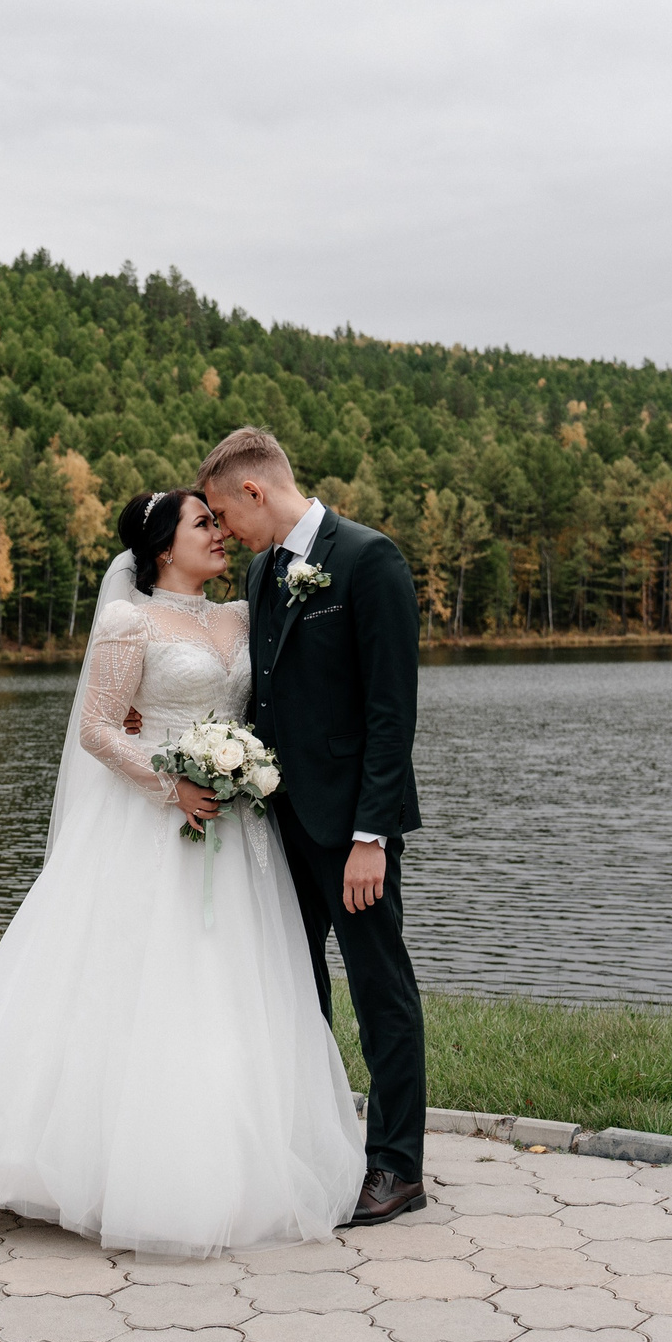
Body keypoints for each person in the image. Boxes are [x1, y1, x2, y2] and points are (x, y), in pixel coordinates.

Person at [0, 490, 364, 1257]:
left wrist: (244, 769)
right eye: (203, 523)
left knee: (235, 988)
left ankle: (244, 1151)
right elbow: (97, 725)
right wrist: (173, 781)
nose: (220, 533)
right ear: (162, 547)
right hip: (156, 825)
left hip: (240, 836)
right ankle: (114, 1166)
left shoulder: (237, 614)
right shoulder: (129, 621)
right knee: (148, 988)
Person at [197, 426, 428, 1225]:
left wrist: (371, 837)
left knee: (379, 992)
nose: (223, 533)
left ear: (256, 492)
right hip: (278, 828)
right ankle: (318, 1147)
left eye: (226, 515)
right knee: (293, 994)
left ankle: (398, 1165)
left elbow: (391, 712)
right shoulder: (264, 572)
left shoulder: (370, 560)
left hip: (351, 834)